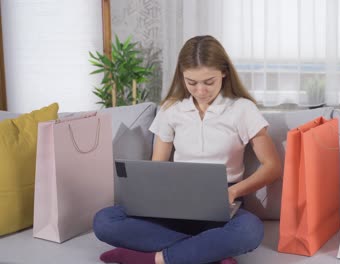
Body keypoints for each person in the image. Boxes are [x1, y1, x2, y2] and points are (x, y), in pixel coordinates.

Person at [93, 35, 282, 264]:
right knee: (104, 220)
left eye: (208, 82)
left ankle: (153, 259)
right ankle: (207, 252)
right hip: (175, 197)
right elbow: (158, 166)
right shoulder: (172, 109)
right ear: (181, 76)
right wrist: (149, 197)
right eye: (191, 82)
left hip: (223, 201)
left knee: (250, 230)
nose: (200, 90)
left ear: (224, 72)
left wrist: (233, 192)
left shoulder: (242, 109)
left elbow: (272, 167)